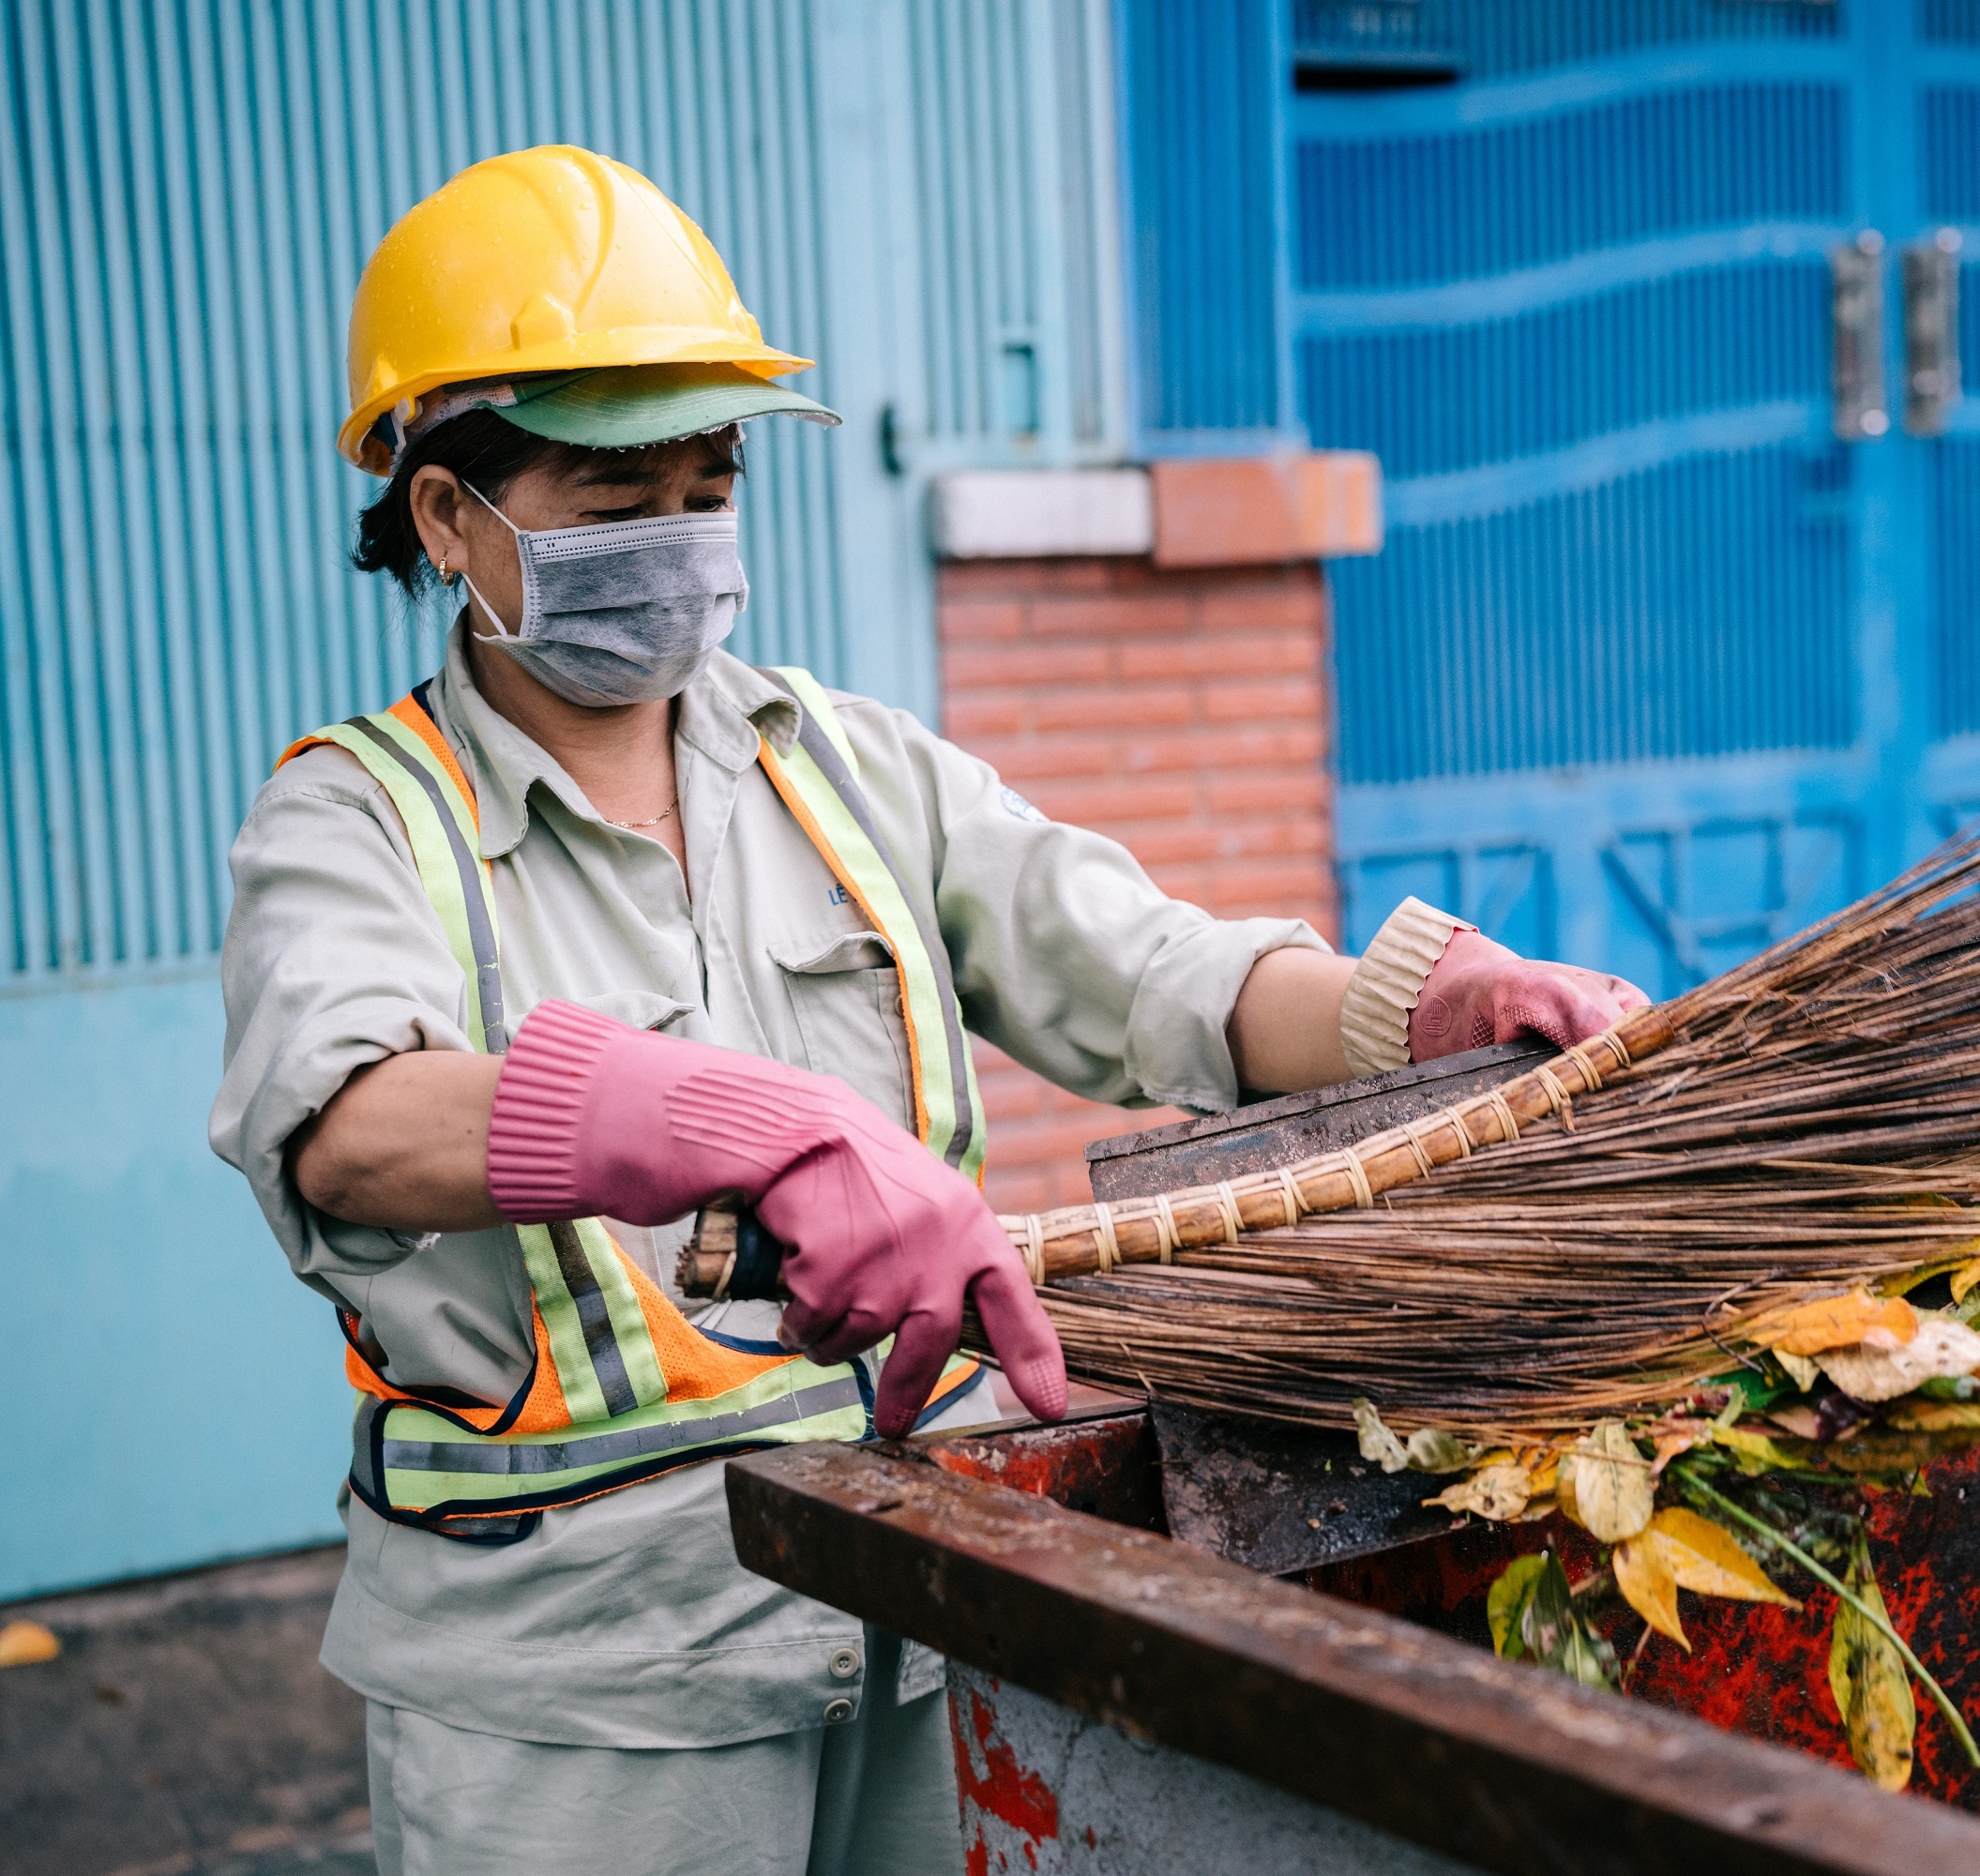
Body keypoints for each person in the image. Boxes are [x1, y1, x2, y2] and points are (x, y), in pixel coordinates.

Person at [208, 145, 1646, 1875]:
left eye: (705, 479)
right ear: (451, 516)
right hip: (587, 1699)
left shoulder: (841, 765)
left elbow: (1149, 968)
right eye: (611, 502)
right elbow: (350, 1126)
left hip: (916, 1610)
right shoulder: (356, 818)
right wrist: (740, 1121)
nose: (676, 540)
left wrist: (1408, 1010)